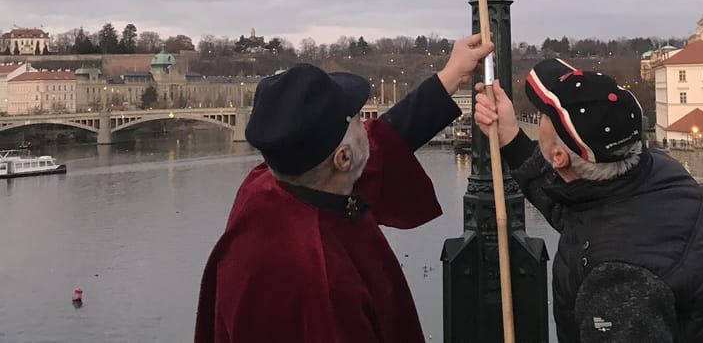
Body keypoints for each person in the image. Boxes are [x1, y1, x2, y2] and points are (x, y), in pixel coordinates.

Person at [194, 34, 493, 343]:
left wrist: (451, 75)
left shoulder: (269, 185)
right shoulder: (321, 285)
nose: (367, 125)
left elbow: (382, 141)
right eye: (358, 119)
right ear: (343, 158)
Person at [474, 58, 703, 342]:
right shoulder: (656, 172)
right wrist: (511, 138)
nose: (538, 116)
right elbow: (576, 208)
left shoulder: (619, 282)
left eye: (545, 114)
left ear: (559, 157)